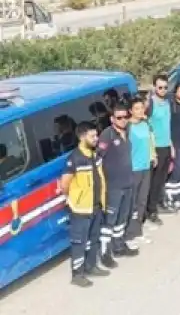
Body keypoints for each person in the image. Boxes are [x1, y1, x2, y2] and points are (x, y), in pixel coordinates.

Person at [62, 121, 110, 287]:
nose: (96, 138)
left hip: (96, 205)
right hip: (81, 209)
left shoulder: (95, 154)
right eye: (92, 136)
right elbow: (65, 183)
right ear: (82, 137)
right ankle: (77, 274)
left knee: (93, 239)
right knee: (79, 242)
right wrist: (74, 199)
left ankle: (91, 266)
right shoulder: (74, 158)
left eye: (96, 135)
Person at [97, 103, 138, 269]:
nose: (123, 120)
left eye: (125, 117)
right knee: (110, 221)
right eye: (119, 117)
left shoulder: (127, 132)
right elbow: (98, 159)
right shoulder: (107, 135)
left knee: (122, 218)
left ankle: (119, 246)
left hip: (127, 182)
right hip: (113, 186)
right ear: (112, 119)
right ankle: (105, 253)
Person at [124, 98, 156, 244]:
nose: (140, 111)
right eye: (136, 108)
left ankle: (138, 230)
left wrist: (153, 155)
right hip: (133, 168)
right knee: (132, 202)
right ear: (130, 111)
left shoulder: (145, 124)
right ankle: (128, 233)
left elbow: (150, 141)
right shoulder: (128, 127)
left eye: (141, 108)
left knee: (142, 200)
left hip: (145, 166)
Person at [145, 74, 173, 222]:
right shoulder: (151, 104)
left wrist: (171, 145)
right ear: (154, 87)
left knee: (162, 179)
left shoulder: (167, 103)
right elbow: (146, 127)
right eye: (160, 87)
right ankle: (151, 210)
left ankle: (159, 203)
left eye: (165, 87)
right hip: (155, 148)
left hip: (166, 145)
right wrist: (152, 151)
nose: (162, 90)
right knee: (154, 181)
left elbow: (167, 126)